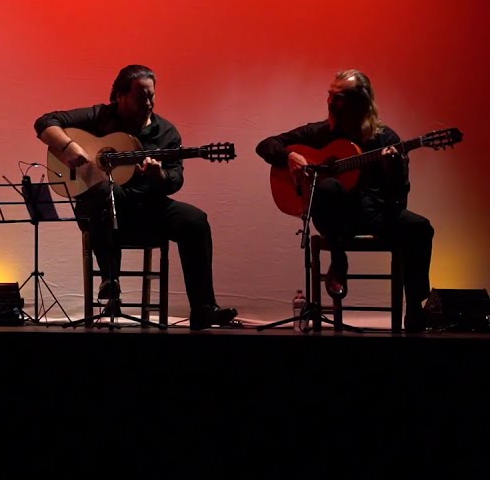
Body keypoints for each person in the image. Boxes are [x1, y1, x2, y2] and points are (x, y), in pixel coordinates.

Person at [35, 64, 238, 330]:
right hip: (100, 213)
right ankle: (110, 280)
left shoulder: (166, 133)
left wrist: (159, 175)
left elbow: (175, 180)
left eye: (151, 95)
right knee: (109, 190)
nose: (149, 103)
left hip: (147, 210)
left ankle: (203, 309)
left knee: (195, 220)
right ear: (120, 96)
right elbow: (44, 122)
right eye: (141, 97)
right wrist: (70, 147)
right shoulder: (101, 117)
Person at [256, 69, 433, 332]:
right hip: (335, 219)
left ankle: (416, 308)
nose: (330, 102)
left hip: (374, 215)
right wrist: (288, 157)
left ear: (359, 102)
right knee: (329, 187)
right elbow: (265, 145)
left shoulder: (385, 139)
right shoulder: (319, 133)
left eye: (338, 97)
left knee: (420, 228)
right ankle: (339, 260)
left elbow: (399, 199)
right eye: (330, 95)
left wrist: (393, 170)